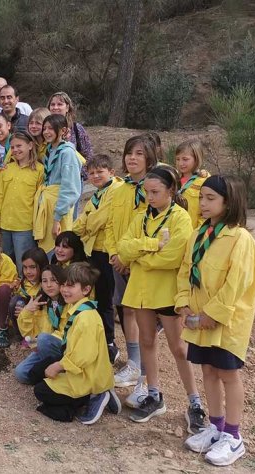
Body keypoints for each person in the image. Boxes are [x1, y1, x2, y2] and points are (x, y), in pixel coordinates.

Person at [177, 175, 255, 467]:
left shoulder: (240, 239)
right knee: (208, 371)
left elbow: (235, 284)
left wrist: (209, 316)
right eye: (201, 198)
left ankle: (234, 436)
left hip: (225, 323)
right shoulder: (199, 233)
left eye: (210, 198)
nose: (202, 203)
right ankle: (215, 427)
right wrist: (184, 305)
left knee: (228, 374)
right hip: (197, 319)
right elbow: (185, 271)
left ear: (229, 202)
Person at [117, 165, 201, 431]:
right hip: (142, 291)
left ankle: (195, 402)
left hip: (165, 292)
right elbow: (123, 247)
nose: (150, 197)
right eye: (147, 192)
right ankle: (154, 395)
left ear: (171, 191)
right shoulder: (141, 217)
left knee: (179, 347)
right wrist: (151, 246)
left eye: (155, 192)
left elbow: (173, 257)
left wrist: (139, 258)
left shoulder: (180, 218)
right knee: (146, 341)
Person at [105, 135, 157, 400]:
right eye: (129, 153)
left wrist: (131, 256)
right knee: (125, 309)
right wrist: (115, 254)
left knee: (142, 313)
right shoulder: (119, 188)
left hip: (142, 261)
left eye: (138, 153)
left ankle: (148, 373)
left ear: (149, 156)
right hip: (119, 259)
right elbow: (112, 224)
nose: (132, 158)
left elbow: (157, 227)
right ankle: (134, 363)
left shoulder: (155, 188)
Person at [32, 263, 116, 423]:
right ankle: (82, 398)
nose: (64, 289)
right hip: (78, 367)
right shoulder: (79, 310)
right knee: (36, 372)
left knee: (40, 391)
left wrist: (58, 366)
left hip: (86, 375)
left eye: (70, 286)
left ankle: (90, 396)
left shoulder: (85, 318)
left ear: (86, 289)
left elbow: (83, 357)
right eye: (63, 284)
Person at [73, 154, 124, 363]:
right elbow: (81, 222)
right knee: (97, 293)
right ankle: (99, 337)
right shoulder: (97, 194)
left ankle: (109, 341)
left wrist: (87, 224)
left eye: (99, 172)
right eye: (91, 173)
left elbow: (100, 219)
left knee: (107, 298)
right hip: (94, 248)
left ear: (111, 172)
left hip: (107, 250)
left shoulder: (116, 190)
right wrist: (86, 224)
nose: (94, 176)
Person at [0, 131, 43, 269]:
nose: (15, 150)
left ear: (30, 145)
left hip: (24, 226)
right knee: (4, 264)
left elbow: (40, 201)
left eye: (19, 146)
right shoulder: (7, 169)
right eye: (12, 147)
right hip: (4, 226)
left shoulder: (39, 170)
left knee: (23, 264)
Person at [34, 114, 82, 258]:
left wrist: (57, 218)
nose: (46, 132)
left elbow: (70, 188)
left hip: (58, 208)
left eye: (51, 128)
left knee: (59, 249)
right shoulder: (49, 149)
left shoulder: (67, 153)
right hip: (47, 204)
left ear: (63, 131)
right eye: (45, 128)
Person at [14, 264, 67, 382]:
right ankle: (54, 374)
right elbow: (28, 334)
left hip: (65, 349)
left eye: (53, 280)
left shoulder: (69, 301)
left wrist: (42, 342)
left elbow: (67, 332)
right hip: (44, 349)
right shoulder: (40, 303)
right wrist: (27, 311)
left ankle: (57, 370)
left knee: (43, 338)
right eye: (44, 281)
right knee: (20, 373)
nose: (49, 285)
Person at [7, 247, 48, 344]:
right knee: (15, 302)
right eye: (25, 267)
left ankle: (35, 339)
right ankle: (21, 336)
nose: (28, 271)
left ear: (42, 266)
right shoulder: (23, 283)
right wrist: (24, 311)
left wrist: (27, 311)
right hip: (26, 317)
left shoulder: (47, 284)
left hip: (42, 322)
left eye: (32, 267)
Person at [175, 139, 211, 229]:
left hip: (194, 230)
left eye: (185, 159)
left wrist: (199, 231)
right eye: (177, 159)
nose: (180, 163)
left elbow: (208, 211)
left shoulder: (204, 180)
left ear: (196, 159)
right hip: (174, 229)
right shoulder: (174, 178)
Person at [47, 92, 93, 160]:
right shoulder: (44, 129)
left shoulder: (77, 129)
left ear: (67, 108)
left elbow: (88, 155)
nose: (55, 107)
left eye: (59, 104)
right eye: (52, 104)